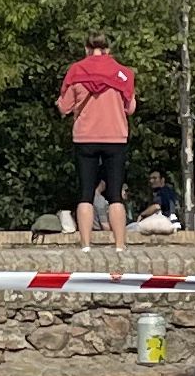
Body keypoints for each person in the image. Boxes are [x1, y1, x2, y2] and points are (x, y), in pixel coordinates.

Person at [53, 41, 137, 254]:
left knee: (86, 193)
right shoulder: (122, 73)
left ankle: (86, 244)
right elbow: (131, 108)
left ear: (86, 49)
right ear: (108, 50)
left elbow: (64, 106)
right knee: (115, 194)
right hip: (115, 137)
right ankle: (119, 245)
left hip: (85, 138)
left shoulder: (76, 72)